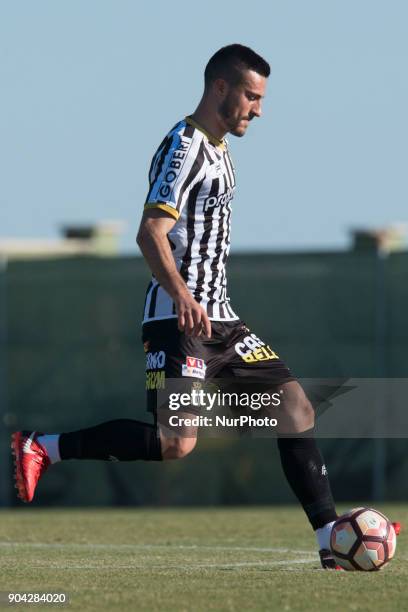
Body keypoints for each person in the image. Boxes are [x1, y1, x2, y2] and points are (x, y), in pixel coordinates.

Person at [12, 44, 340, 569]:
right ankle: (42, 446)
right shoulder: (183, 146)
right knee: (175, 443)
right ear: (220, 88)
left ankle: (331, 541)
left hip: (223, 321)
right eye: (252, 97)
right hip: (177, 319)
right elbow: (150, 232)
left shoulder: (220, 150)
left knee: (295, 407)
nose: (258, 109)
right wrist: (184, 297)